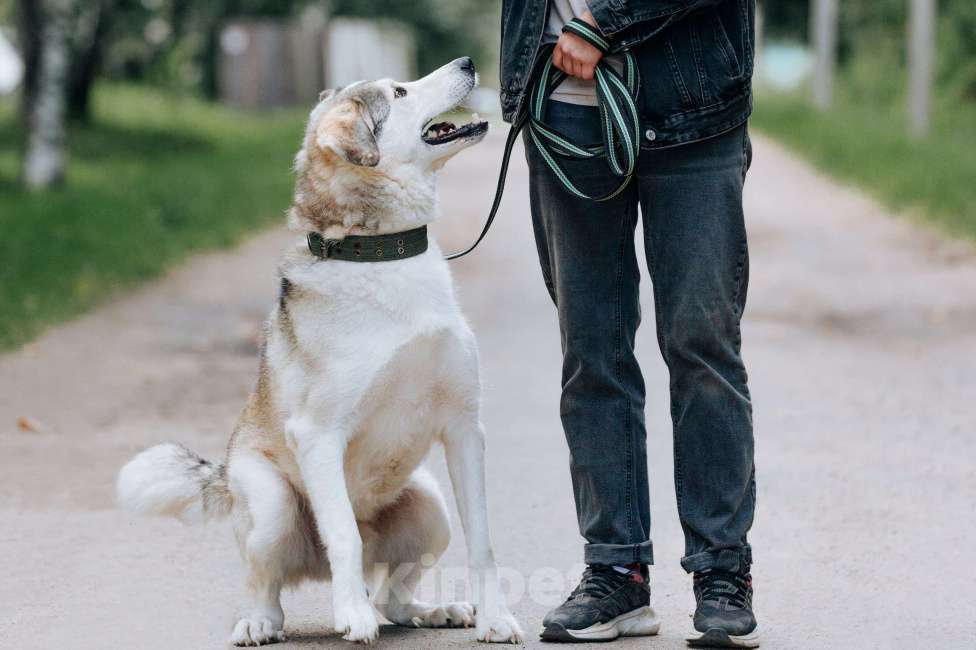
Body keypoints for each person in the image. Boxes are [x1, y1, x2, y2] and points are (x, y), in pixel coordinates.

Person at [500, 1, 759, 647]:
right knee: (591, 352)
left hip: (692, 107)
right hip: (563, 110)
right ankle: (616, 570)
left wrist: (602, 22)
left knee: (701, 346)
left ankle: (722, 572)